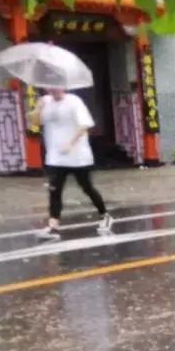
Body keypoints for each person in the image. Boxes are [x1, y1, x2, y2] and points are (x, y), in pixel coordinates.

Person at [31, 87, 112, 240]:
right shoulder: (45, 102)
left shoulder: (74, 101)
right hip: (55, 157)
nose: (53, 90)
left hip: (78, 156)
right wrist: (38, 108)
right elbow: (35, 122)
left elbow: (85, 125)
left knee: (87, 187)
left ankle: (104, 215)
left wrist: (71, 143)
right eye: (50, 87)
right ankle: (53, 227)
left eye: (56, 86)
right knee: (54, 191)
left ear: (63, 87)